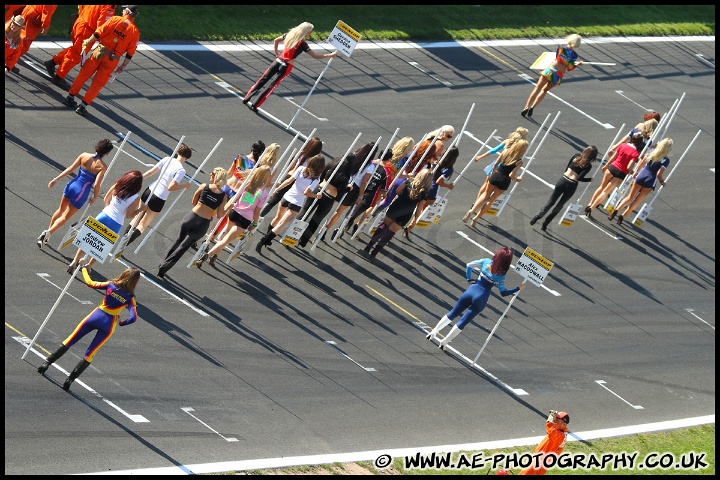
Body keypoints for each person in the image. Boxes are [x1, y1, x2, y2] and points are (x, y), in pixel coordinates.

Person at [37, 265, 140, 391]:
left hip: (94, 317)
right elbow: (134, 317)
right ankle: (69, 380)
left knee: (70, 340)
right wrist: (122, 323)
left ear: (124, 274)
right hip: (108, 324)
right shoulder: (131, 297)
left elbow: (90, 283)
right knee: (90, 353)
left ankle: (46, 363)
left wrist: (84, 268)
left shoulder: (111, 285)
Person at [426, 247, 525, 350]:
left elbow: (469, 265)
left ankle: (433, 332)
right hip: (482, 296)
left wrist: (469, 279)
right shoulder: (501, 275)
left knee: (453, 313)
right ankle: (444, 342)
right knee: (463, 321)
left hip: (471, 290)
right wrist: (518, 288)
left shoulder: (486, 261)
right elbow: (503, 293)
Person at [242, 22, 338, 112]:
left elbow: (276, 40)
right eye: (310, 31)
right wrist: (331, 55)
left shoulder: (289, 34)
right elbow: (316, 57)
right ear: (306, 31)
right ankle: (255, 105)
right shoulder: (303, 44)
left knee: (262, 80)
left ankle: (247, 98)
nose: (311, 33)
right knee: (271, 86)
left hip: (278, 61)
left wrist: (276, 53)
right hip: (287, 66)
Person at [63, 5, 140, 117]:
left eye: (124, 9)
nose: (122, 10)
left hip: (99, 52)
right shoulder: (135, 32)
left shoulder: (114, 19)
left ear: (127, 12)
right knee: (97, 83)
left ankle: (70, 97)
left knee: (84, 74)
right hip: (112, 60)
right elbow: (130, 52)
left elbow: (99, 32)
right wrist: (123, 66)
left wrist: (87, 42)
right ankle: (82, 106)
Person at [37, 138, 113, 248]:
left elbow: (70, 168)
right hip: (81, 192)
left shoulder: (84, 155)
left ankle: (48, 233)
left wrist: (56, 179)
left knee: (60, 210)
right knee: (64, 218)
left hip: (72, 185)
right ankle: (47, 233)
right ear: (106, 153)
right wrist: (96, 196)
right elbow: (96, 184)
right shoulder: (102, 166)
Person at [157, 167, 228, 279]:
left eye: (212, 173)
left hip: (192, 217)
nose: (210, 174)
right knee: (183, 247)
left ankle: (162, 262)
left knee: (178, 240)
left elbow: (194, 201)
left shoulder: (204, 186)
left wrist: (201, 206)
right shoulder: (224, 196)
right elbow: (220, 215)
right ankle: (164, 268)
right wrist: (228, 207)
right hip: (203, 223)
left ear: (216, 176)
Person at [297, 144, 373, 248]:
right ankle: (303, 240)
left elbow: (323, 174)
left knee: (304, 212)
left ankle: (293, 232)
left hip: (319, 189)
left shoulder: (332, 164)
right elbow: (341, 190)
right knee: (316, 220)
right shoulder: (345, 176)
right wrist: (348, 188)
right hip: (328, 198)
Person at [195, 166, 272, 267]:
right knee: (226, 240)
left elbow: (236, 197)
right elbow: (257, 211)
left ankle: (214, 256)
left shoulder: (247, 184)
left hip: (234, 212)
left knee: (225, 234)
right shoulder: (263, 193)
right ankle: (206, 256)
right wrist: (255, 223)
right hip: (245, 219)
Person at [68, 170, 144, 272]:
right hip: (116, 223)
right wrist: (140, 210)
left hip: (104, 215)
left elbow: (106, 200)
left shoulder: (117, 185)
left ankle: (74, 261)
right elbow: (128, 215)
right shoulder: (135, 198)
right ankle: (89, 265)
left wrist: (108, 210)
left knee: (88, 238)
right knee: (102, 246)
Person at [124, 143, 194, 247]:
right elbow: (171, 187)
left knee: (137, 217)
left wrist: (136, 180)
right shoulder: (181, 170)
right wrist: (184, 186)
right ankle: (124, 244)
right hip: (159, 198)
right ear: (187, 158)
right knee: (143, 224)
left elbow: (151, 172)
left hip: (150, 190)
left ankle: (122, 239)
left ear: (178, 152)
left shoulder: (167, 159)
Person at [344, 136, 415, 238]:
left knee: (364, 198)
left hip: (377, 174)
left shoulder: (392, 152)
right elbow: (398, 175)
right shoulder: (404, 160)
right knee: (372, 205)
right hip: (388, 180)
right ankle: (358, 224)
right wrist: (408, 176)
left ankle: (352, 220)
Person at [255, 154, 325, 253]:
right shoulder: (316, 179)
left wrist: (277, 189)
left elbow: (289, 180)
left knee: (277, 218)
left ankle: (267, 235)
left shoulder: (301, 169)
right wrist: (316, 196)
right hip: (296, 203)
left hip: (287, 197)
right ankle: (264, 241)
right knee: (281, 224)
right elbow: (306, 193)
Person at [363, 167, 433, 258]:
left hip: (396, 207)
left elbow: (397, 191)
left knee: (383, 226)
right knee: (390, 233)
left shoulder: (409, 181)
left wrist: (402, 198)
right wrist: (415, 218)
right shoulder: (426, 193)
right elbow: (419, 208)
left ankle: (369, 246)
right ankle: (375, 252)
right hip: (406, 214)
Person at [44, 5, 116, 87]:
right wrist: (103, 38)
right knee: (76, 55)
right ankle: (59, 76)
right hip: (87, 30)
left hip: (80, 22)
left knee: (74, 50)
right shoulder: (109, 6)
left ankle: (52, 62)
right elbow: (103, 24)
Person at [529, 145, 598, 231]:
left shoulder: (576, 156)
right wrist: (589, 179)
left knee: (551, 201)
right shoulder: (588, 165)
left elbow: (567, 168)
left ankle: (537, 216)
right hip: (571, 185)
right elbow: (579, 178)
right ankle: (546, 223)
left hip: (563, 180)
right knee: (560, 204)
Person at [209, 140, 266, 243]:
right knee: (224, 216)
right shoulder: (257, 167)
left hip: (227, 186)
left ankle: (200, 225)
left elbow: (230, 172)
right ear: (261, 152)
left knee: (211, 210)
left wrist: (218, 180)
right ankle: (212, 236)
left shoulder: (240, 157)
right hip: (236, 193)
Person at [464, 138, 529, 227]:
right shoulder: (519, 162)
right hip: (505, 180)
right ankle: (476, 218)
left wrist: (492, 173)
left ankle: (472, 210)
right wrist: (517, 179)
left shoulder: (506, 151)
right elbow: (511, 175)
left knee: (485, 194)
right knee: (491, 199)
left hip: (496, 174)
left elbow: (495, 164)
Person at [323, 142, 379, 241]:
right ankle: (325, 230)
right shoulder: (370, 167)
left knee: (330, 204)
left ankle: (322, 226)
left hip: (344, 182)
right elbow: (363, 183)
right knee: (339, 211)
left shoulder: (355, 155)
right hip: (354, 189)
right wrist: (361, 196)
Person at [610, 138, 672, 226]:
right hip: (650, 179)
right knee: (637, 200)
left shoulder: (652, 152)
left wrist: (636, 172)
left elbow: (642, 163)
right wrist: (662, 182)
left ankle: (616, 210)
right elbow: (659, 173)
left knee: (630, 197)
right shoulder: (666, 160)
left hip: (642, 174)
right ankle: (622, 217)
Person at [403, 145, 458, 240]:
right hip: (432, 190)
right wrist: (448, 186)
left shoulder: (437, 161)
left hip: (424, 183)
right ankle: (408, 228)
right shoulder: (449, 169)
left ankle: (405, 223)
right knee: (421, 212)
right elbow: (439, 181)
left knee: (415, 205)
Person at [260, 136, 323, 218]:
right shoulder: (314, 160)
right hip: (300, 180)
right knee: (286, 204)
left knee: (273, 200)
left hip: (290, 176)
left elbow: (291, 166)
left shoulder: (301, 153)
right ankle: (273, 225)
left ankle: (259, 216)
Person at [521, 34, 583, 118]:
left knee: (537, 88)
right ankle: (533, 107)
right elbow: (569, 67)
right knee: (544, 90)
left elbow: (558, 58)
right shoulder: (574, 55)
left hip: (550, 70)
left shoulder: (561, 48)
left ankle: (526, 106)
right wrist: (577, 64)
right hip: (558, 75)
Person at [585, 133, 644, 217]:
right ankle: (592, 207)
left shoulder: (623, 145)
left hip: (612, 167)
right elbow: (629, 167)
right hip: (620, 174)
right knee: (606, 192)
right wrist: (632, 171)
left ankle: (590, 203)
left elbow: (614, 157)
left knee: (601, 187)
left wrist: (606, 165)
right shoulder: (635, 154)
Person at [472, 127, 528, 205]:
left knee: (486, 185)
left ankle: (476, 203)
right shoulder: (520, 146)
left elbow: (494, 150)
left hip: (497, 165)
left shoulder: (508, 141)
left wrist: (481, 156)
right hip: (506, 169)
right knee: (494, 192)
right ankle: (482, 205)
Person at [4, 5, 56, 75]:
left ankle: (9, 62)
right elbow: (47, 10)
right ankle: (9, 63)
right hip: (34, 17)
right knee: (23, 43)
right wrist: (46, 26)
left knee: (16, 35)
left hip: (29, 10)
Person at [518, 410, 570, 475]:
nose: (554, 422)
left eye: (557, 421)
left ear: (564, 424)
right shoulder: (560, 434)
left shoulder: (559, 436)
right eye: (555, 420)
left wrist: (549, 421)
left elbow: (551, 432)